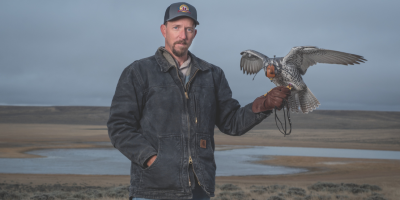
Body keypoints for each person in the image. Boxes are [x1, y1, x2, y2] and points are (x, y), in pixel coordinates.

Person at [107, 2, 291, 200]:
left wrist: (264, 104)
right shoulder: (139, 72)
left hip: (198, 190)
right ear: (164, 30)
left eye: (188, 29)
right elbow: (120, 126)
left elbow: (232, 123)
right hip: (153, 189)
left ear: (195, 33)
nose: (183, 35)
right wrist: (152, 159)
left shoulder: (212, 74)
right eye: (176, 27)